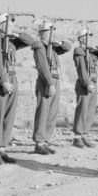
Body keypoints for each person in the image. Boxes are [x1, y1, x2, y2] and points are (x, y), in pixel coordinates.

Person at [0, 14, 34, 165]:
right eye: (9, 23)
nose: (12, 25)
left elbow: (30, 41)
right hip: (2, 79)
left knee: (9, 115)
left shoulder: (12, 41)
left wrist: (15, 34)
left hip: (13, 77)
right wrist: (4, 81)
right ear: (0, 25)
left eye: (12, 23)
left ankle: (2, 149)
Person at [31, 21, 72, 155]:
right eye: (49, 33)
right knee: (43, 112)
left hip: (55, 80)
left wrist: (58, 42)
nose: (51, 35)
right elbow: (43, 67)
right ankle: (39, 143)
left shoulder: (52, 47)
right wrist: (49, 83)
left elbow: (67, 47)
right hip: (46, 81)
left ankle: (45, 141)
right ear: (42, 34)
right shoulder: (39, 47)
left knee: (52, 113)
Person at [71, 28, 98, 148]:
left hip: (93, 84)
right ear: (82, 39)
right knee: (82, 111)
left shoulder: (91, 52)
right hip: (84, 84)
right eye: (88, 37)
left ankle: (85, 135)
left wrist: (93, 49)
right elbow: (81, 69)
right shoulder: (78, 51)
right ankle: (77, 137)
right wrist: (87, 83)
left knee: (90, 112)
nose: (91, 39)